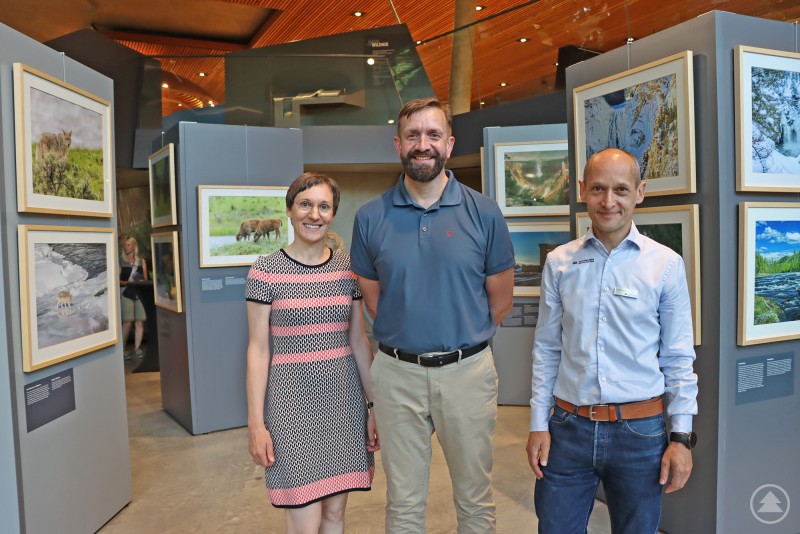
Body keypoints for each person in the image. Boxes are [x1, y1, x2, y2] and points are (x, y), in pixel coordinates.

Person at [350, 97, 515, 533]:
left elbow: (499, 302)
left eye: (433, 134)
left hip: (467, 372)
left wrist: (458, 336)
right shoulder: (370, 218)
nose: (423, 144)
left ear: (449, 143)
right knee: (403, 503)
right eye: (413, 135)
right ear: (397, 144)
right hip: (396, 375)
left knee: (475, 499)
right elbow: (374, 302)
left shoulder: (484, 213)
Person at [527, 148, 698, 533]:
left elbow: (677, 357)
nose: (609, 202)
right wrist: (538, 424)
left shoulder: (665, 264)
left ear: (640, 192)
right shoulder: (559, 262)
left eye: (621, 189)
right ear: (583, 190)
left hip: (640, 434)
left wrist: (682, 438)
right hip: (567, 429)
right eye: (599, 189)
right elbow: (547, 350)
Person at [245, 172, 379, 533]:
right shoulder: (265, 271)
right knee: (305, 520)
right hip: (291, 411)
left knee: (335, 516)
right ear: (289, 210)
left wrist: (372, 407)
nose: (314, 215)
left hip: (344, 406)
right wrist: (257, 424)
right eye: (305, 205)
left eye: (324, 206)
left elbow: (358, 342)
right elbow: (258, 350)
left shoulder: (346, 269)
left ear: (333, 213)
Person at [119, 236, 148, 359]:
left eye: (129, 245)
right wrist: (127, 282)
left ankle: (137, 349)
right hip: (126, 293)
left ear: (134, 246)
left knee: (139, 322)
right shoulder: (121, 261)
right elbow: (117, 280)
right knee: (127, 323)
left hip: (139, 294)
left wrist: (139, 281)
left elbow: (146, 279)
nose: (126, 247)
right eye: (125, 245)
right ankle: (122, 350)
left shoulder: (141, 261)